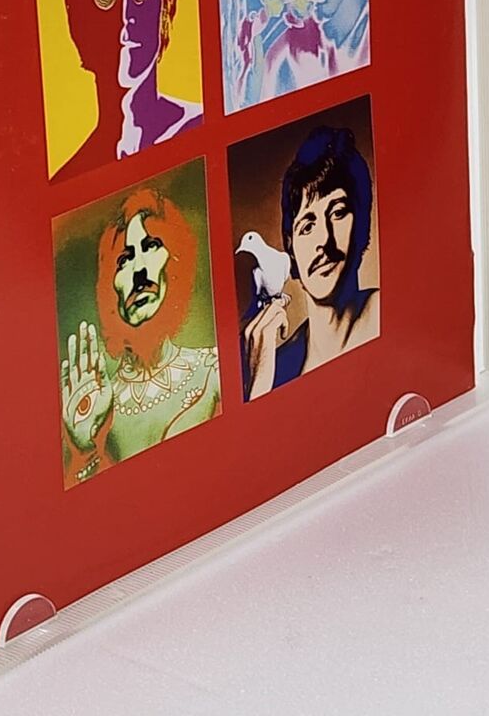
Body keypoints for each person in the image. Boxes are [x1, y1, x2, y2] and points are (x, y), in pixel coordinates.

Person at [61, 185, 219, 484]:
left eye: (151, 246)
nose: (139, 271)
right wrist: (85, 450)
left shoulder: (213, 371)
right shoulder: (100, 406)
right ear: (110, 288)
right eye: (124, 259)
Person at [57, 0, 201, 179]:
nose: (125, 14)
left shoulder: (200, 124)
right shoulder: (74, 176)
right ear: (77, 12)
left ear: (167, 0)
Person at [242, 125, 379, 398]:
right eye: (307, 226)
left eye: (338, 213)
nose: (324, 241)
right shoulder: (275, 366)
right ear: (291, 249)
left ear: (362, 223)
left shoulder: (389, 312)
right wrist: (258, 387)